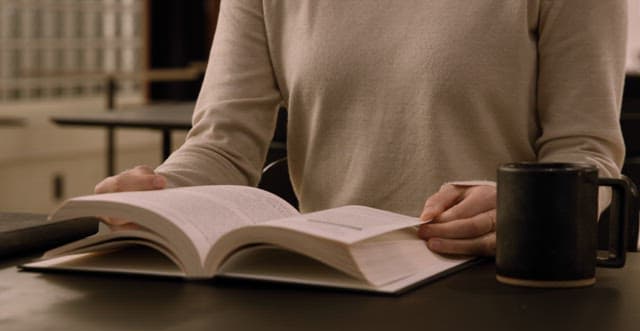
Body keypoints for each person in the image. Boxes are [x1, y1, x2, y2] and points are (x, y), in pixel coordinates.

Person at [95, 0, 628, 257]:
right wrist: (159, 196)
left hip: (494, 284)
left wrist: (524, 207)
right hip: (328, 278)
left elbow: (586, 153)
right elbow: (222, 145)